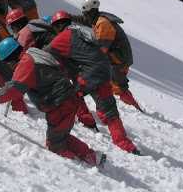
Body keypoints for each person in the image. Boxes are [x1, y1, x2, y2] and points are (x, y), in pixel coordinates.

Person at [0, 37, 105, 167]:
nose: (8, 66)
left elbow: (14, 89)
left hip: (60, 103)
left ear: (10, 58)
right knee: (60, 136)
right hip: (63, 100)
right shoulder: (33, 54)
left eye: (7, 62)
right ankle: (93, 157)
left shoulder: (26, 64)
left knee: (55, 146)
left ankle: (79, 168)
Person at [47, 11, 140, 154]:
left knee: (72, 97)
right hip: (104, 70)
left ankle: (84, 123)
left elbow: (46, 55)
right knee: (109, 108)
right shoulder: (82, 31)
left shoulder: (62, 38)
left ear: (57, 26)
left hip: (88, 74)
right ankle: (125, 144)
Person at [68, 0, 141, 110]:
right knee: (112, 84)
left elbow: (101, 50)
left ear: (91, 11)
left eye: (86, 13)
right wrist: (69, 17)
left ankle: (136, 108)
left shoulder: (103, 24)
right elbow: (84, 20)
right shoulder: (97, 18)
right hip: (115, 58)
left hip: (119, 61)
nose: (85, 15)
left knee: (119, 87)